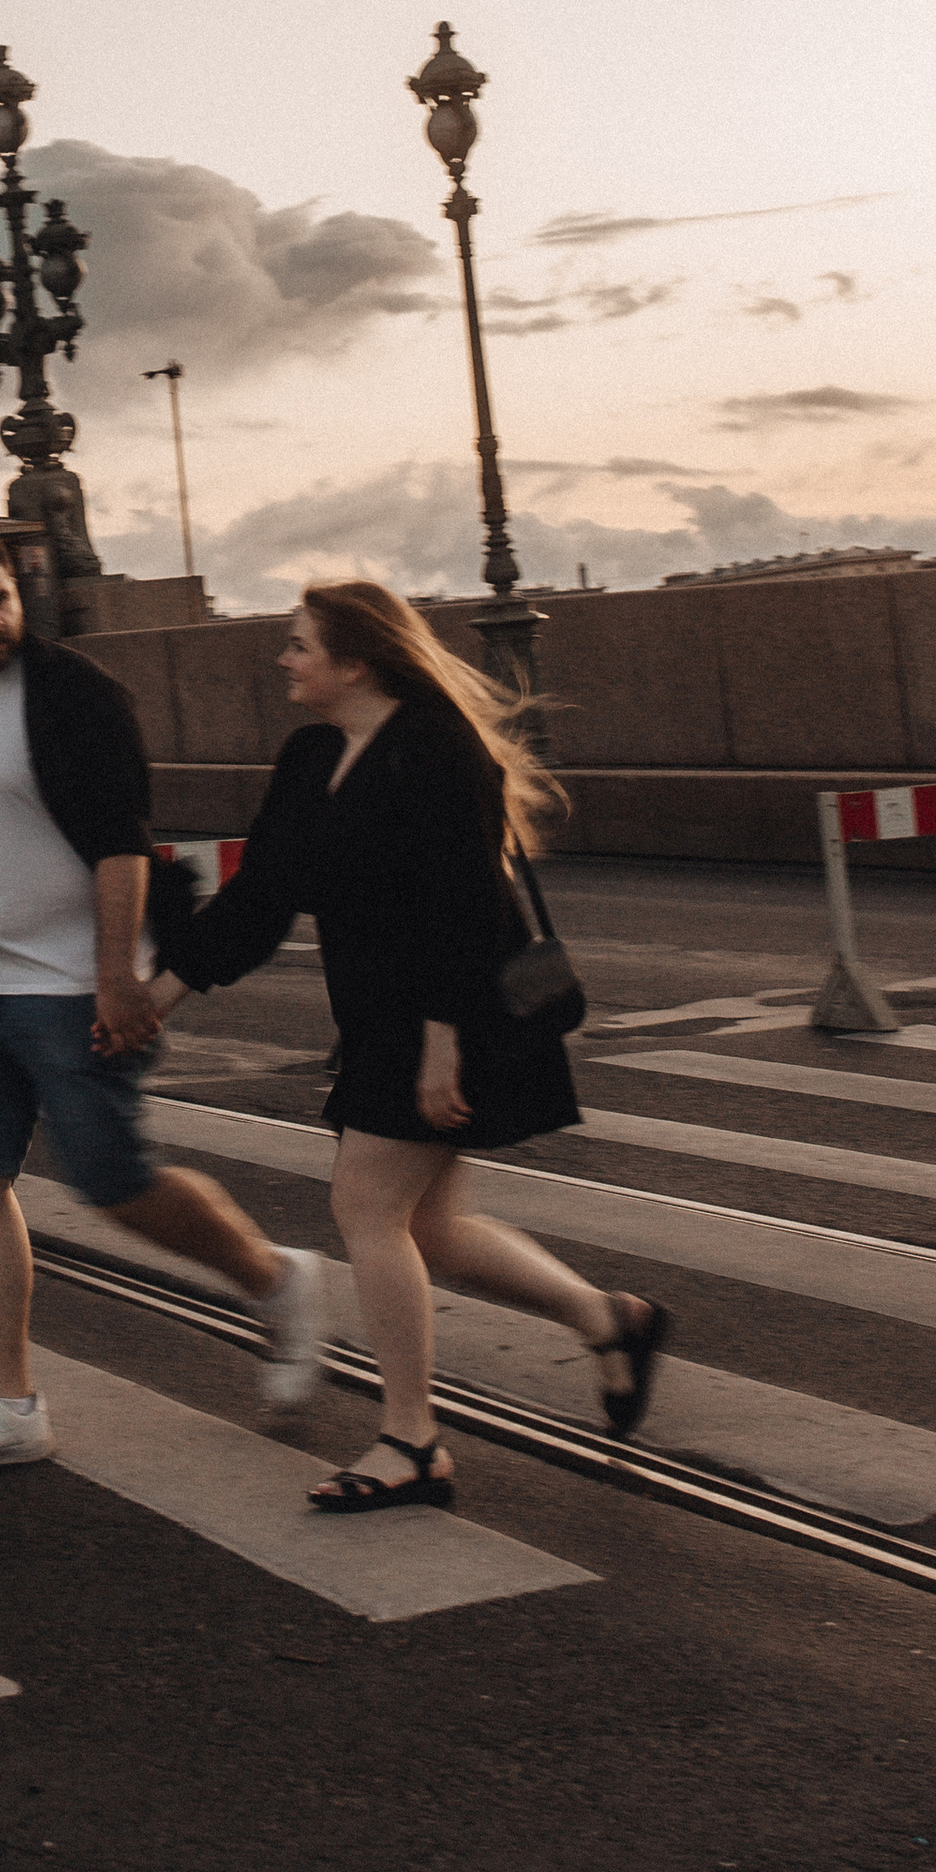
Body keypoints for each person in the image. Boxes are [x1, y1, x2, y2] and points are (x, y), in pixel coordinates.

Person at [149, 578, 668, 1514]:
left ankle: (411, 1440)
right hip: (385, 1022)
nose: (284, 660)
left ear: (355, 661)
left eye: (300, 645)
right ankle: (610, 1320)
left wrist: (441, 1046)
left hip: (457, 1017)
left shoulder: (434, 750)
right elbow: (258, 900)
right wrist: (160, 995)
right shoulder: (313, 759)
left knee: (367, 1209)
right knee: (426, 1227)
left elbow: (461, 908)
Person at [0, 526, 323, 1475]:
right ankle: (9, 1407)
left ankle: (277, 1282)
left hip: (68, 985)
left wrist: (118, 976)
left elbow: (123, 845)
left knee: (114, 1181)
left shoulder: (74, 695)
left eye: (0, 598)